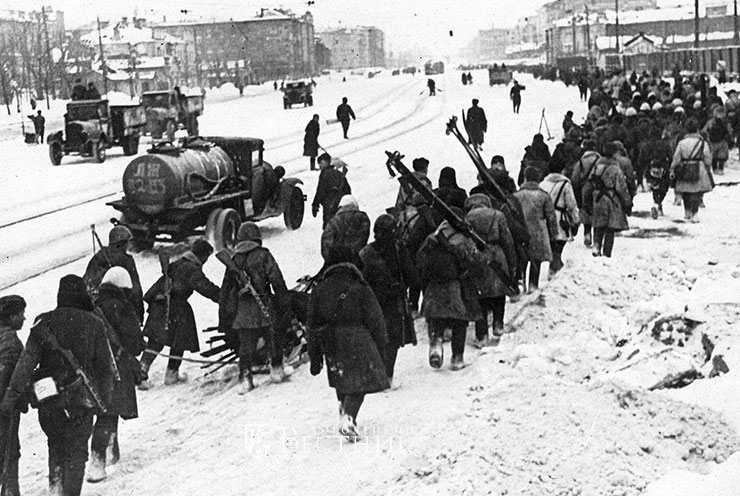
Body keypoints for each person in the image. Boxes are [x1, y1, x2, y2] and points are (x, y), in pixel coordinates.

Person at [1, 275, 115, 496]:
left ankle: (56, 489)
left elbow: (24, 367)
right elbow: (105, 369)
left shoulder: (43, 323)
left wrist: (9, 400)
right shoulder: (95, 323)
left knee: (55, 444)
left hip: (48, 396)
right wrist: (105, 403)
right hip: (81, 398)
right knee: (77, 452)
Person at [307, 246, 389, 442]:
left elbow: (311, 325)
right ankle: (348, 418)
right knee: (361, 381)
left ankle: (345, 415)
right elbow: (376, 318)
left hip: (330, 340)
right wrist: (381, 344)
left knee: (341, 379)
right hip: (357, 337)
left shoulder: (319, 289)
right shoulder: (359, 285)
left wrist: (314, 356)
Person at [219, 223, 292, 394]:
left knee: (246, 344)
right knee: (273, 337)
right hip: (264, 303)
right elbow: (277, 280)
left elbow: (226, 289)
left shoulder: (234, 260)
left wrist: (224, 314)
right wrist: (284, 303)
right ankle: (277, 371)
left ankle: (245, 379)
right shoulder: (264, 255)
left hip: (243, 309)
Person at [87, 268, 145, 483]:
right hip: (116, 365)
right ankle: (98, 462)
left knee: (104, 411)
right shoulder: (120, 306)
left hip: (93, 366)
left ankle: (111, 453)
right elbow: (135, 343)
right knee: (110, 413)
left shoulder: (93, 305)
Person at [140, 239, 220, 387]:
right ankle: (171, 374)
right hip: (177, 307)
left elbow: (157, 285)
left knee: (155, 341)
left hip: (161, 304)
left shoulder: (176, 263)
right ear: (202, 255)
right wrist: (223, 297)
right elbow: (206, 288)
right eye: (207, 257)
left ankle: (141, 374)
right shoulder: (192, 269)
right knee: (180, 341)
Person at [417, 208, 484, 370]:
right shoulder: (465, 240)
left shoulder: (433, 237)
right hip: (456, 286)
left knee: (436, 319)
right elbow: (476, 262)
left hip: (434, 286)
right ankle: (457, 357)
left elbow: (420, 260)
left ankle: (436, 344)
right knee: (460, 322)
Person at [359, 215, 419, 388]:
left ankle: (376, 375)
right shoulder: (399, 250)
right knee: (392, 341)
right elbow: (413, 278)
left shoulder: (365, 254)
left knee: (375, 339)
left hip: (372, 304)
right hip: (393, 304)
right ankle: (386, 376)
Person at [464, 195, 516, 347]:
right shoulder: (498, 215)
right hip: (497, 255)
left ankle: (482, 336)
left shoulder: (467, 218)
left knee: (480, 296)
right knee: (499, 290)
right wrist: (512, 263)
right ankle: (498, 325)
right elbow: (507, 240)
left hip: (477, 256)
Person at [84, 225, 144, 323]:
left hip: (98, 309)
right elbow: (135, 290)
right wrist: (139, 314)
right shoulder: (126, 261)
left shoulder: (98, 256)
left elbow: (87, 281)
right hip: (121, 310)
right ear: (123, 243)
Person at [583, 142, 632, 256]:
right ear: (614, 153)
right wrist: (627, 203)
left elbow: (589, 185)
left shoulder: (597, 166)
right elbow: (622, 187)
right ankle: (606, 253)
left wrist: (587, 201)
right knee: (610, 227)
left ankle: (596, 245)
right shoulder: (615, 169)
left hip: (597, 198)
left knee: (598, 224)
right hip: (611, 199)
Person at [513, 167, 558, 292]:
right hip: (538, 232)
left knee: (521, 260)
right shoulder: (543, 196)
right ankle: (533, 286)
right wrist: (554, 234)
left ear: (525, 178)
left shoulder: (516, 195)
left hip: (520, 232)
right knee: (536, 261)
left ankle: (520, 285)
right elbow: (551, 217)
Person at [0, 295, 26, 496]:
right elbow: (9, 376)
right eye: (20, 314)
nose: (23, 318)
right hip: (5, 407)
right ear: (9, 317)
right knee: (9, 451)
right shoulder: (10, 341)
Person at [539, 162, 579, 275]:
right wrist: (575, 220)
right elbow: (571, 205)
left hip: (545, 219)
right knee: (558, 247)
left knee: (552, 245)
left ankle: (554, 268)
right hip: (560, 219)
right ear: (562, 170)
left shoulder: (542, 184)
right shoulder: (565, 185)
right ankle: (554, 270)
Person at [671, 117, 713, 222]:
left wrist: (673, 167)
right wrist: (707, 165)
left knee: (686, 191)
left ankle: (687, 211)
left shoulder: (682, 143)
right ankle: (695, 213)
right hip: (699, 167)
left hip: (685, 167)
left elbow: (676, 158)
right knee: (696, 191)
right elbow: (707, 157)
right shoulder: (702, 142)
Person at [321, 195, 370, 265]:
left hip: (337, 262)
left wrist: (332, 259)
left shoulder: (333, 221)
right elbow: (363, 239)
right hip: (357, 261)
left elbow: (326, 245)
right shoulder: (363, 218)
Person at [638, 126, 673, 219]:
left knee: (655, 187)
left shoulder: (645, 145)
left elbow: (641, 160)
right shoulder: (665, 144)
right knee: (664, 187)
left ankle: (657, 204)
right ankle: (658, 203)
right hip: (663, 167)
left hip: (650, 167)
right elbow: (671, 156)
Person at [570, 139, 601, 247]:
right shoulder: (600, 160)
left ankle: (587, 234)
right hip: (598, 189)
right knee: (598, 212)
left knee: (586, 211)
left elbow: (574, 178)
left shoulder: (580, 162)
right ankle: (597, 238)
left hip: (584, 189)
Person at [312, 152, 352, 228]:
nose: (319, 166)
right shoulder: (339, 173)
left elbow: (320, 190)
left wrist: (315, 205)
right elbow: (347, 189)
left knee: (329, 226)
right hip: (340, 204)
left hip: (328, 205)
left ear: (327, 162)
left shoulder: (324, 174)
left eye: (321, 163)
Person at [702, 106, 733, 175]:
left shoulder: (711, 121)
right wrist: (730, 139)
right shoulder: (726, 121)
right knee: (722, 155)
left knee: (713, 155)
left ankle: (714, 169)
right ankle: (721, 169)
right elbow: (730, 131)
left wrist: (707, 136)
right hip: (723, 141)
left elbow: (704, 130)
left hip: (712, 141)